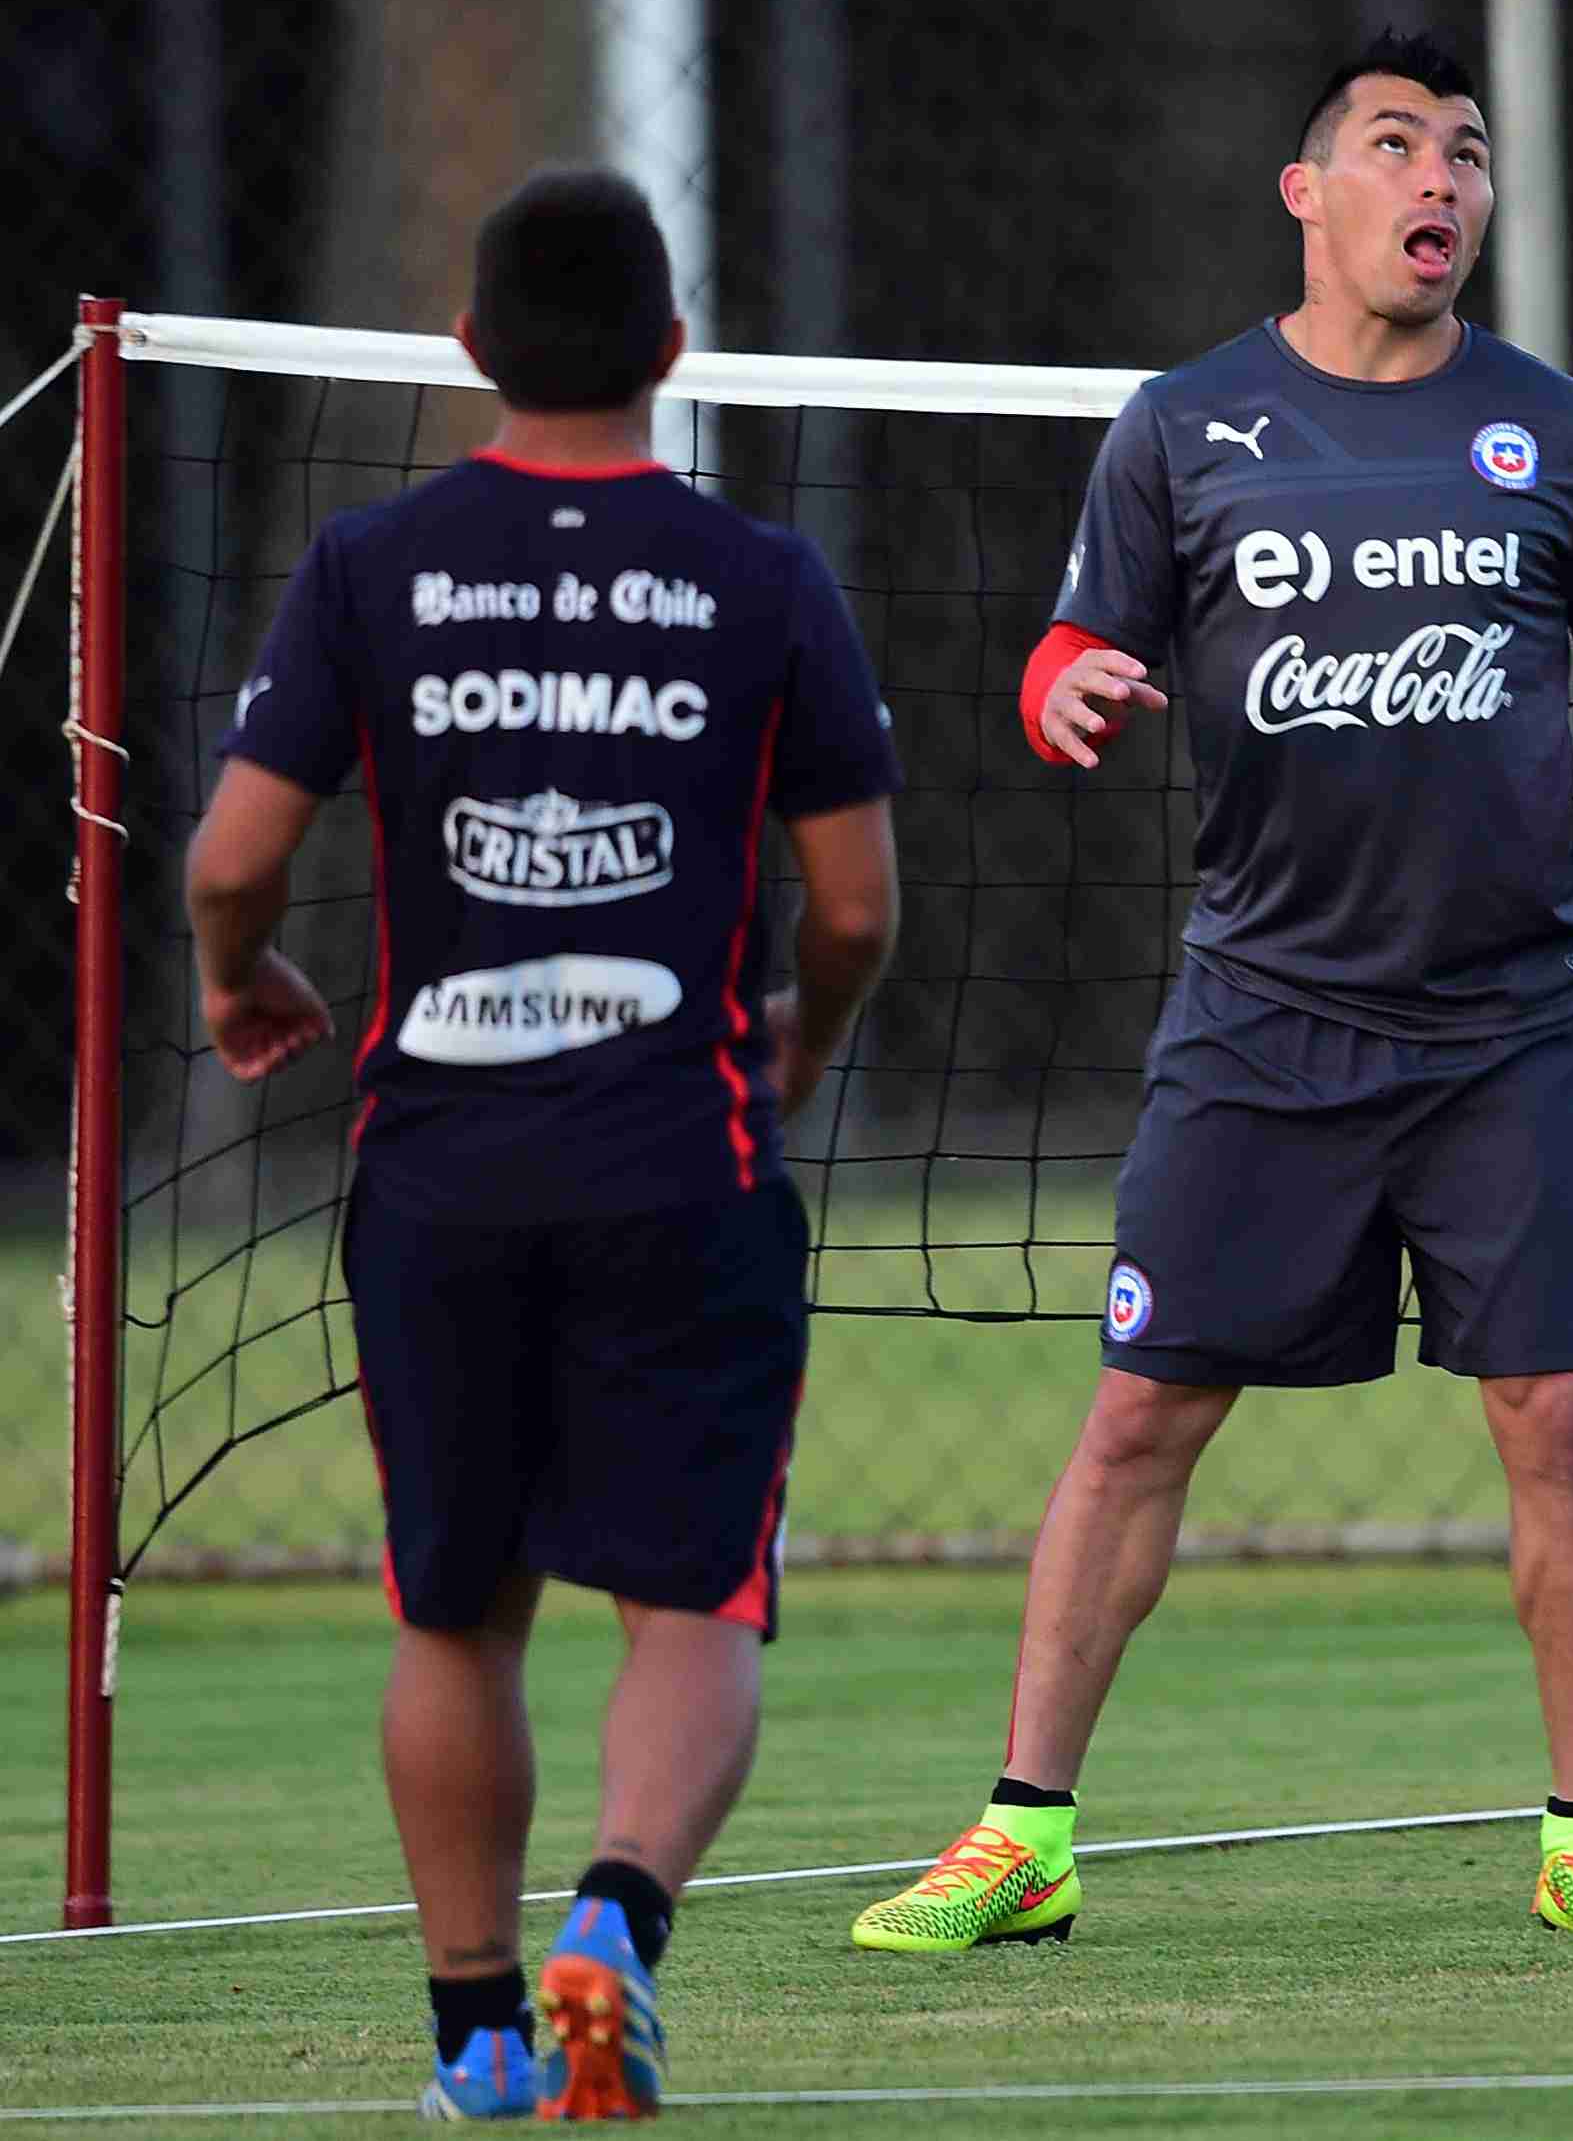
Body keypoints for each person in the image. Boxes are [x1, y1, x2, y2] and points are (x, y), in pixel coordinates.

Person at [850, 30, 1573, 1952]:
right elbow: (1073, 639)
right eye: (1398, 144)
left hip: (1513, 1022)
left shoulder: (1563, 434)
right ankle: (1022, 1834)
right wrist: (1061, 690)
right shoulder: (1184, 426)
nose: (1442, 178)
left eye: (1467, 151)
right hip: (1263, 1016)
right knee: (1139, 1420)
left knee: (1560, 1416)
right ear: (1309, 192)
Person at [186, 169, 901, 2116]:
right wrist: (807, 1036)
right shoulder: (762, 579)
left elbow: (231, 860)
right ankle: (617, 1917)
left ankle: (479, 2038)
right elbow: (855, 908)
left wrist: (238, 979)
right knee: (695, 1597)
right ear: (670, 350)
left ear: (472, 346)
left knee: (455, 1610)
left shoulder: (371, 563)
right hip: (682, 1154)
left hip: (441, 1171)